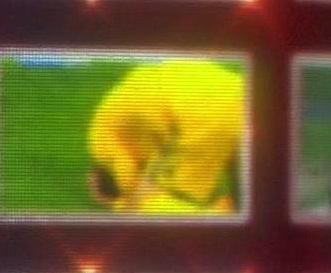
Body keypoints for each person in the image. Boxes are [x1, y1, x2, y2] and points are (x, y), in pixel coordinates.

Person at [86, 58, 246, 215]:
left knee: (154, 202)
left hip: (197, 111)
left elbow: (132, 187)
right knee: (245, 189)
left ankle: (218, 222)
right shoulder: (121, 118)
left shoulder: (102, 147)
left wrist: (117, 203)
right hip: (239, 93)